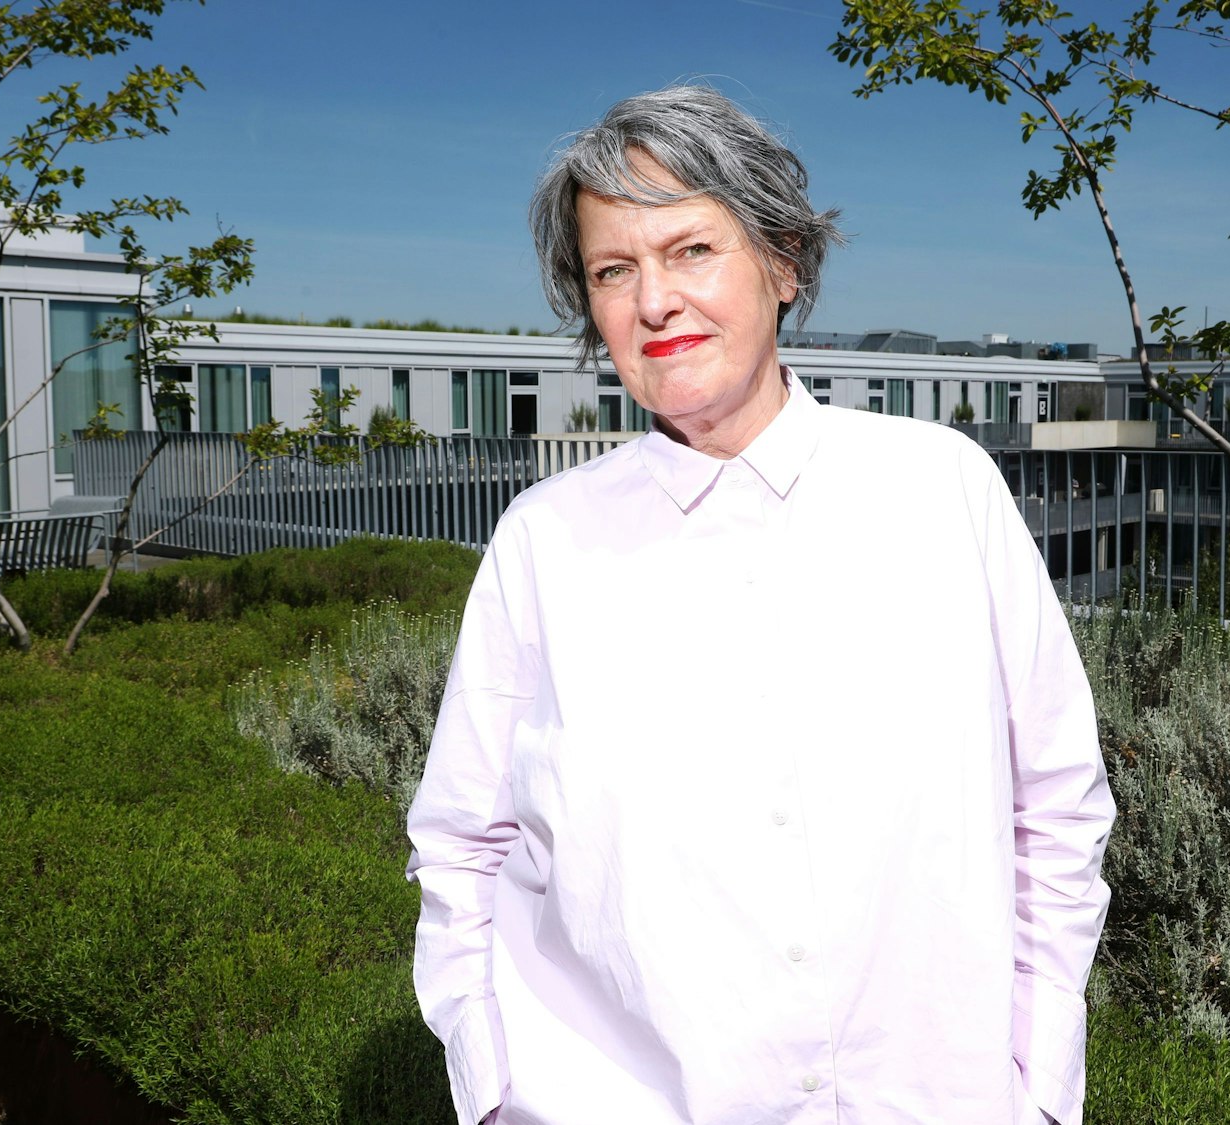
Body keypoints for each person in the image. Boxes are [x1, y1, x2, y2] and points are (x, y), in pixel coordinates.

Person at [406, 84, 1115, 1125]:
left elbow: (1054, 801)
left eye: (691, 249)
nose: (652, 302)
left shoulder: (941, 490)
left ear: (784, 262)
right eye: (613, 270)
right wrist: (493, 1086)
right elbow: (463, 839)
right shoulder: (543, 541)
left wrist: (1039, 1084)